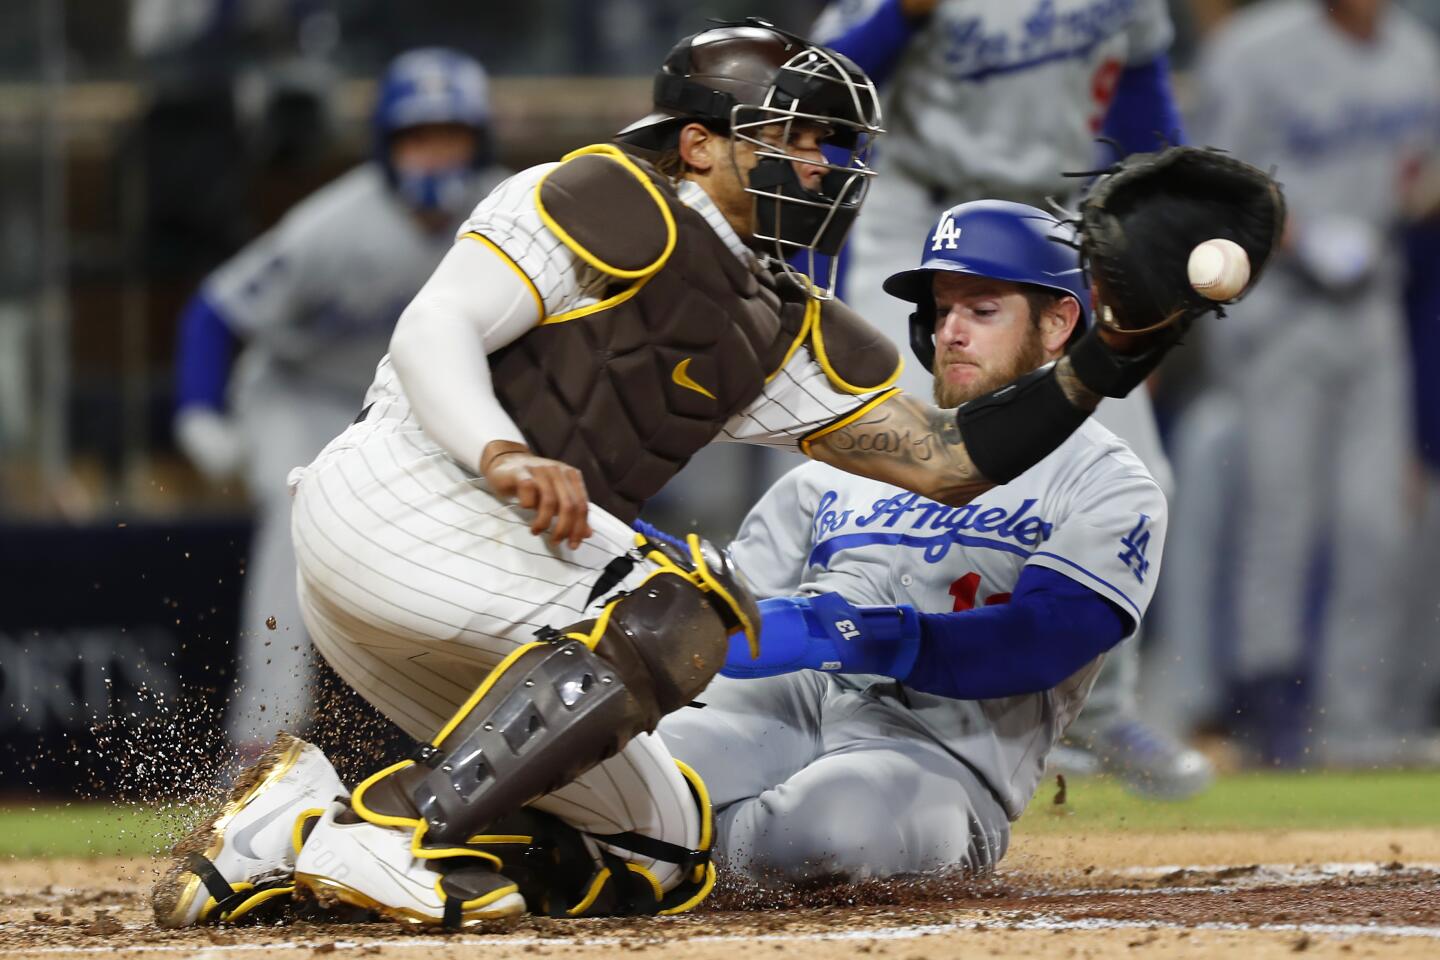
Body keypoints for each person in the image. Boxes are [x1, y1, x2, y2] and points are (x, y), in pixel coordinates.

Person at [152, 20, 1217, 931]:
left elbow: (945, 461)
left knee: (664, 853)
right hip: (402, 498)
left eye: (826, 142)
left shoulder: (778, 322)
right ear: (700, 142)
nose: (818, 163)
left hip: (486, 571)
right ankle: (398, 833)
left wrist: (1106, 362)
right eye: (790, 136)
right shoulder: (599, 193)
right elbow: (438, 327)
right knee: (677, 606)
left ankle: (288, 831)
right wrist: (500, 448)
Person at [656, 200, 1167, 884]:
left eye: (981, 310)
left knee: (826, 836)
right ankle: (648, 846)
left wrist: (869, 636)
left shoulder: (1106, 479)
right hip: (788, 709)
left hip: (941, 752)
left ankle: (662, 861)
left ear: (1058, 323)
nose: (950, 332)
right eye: (940, 310)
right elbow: (731, 619)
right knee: (637, 767)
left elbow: (1045, 638)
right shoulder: (859, 460)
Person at [804, 0, 1205, 795]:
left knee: (1137, 471)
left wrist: (1166, 222)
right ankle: (845, 692)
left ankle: (1093, 716)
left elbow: (1138, 97)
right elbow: (822, 96)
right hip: (922, 224)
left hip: (1059, 224)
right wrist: (901, 17)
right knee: (905, 456)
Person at [171, 48, 508, 754]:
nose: (435, 154)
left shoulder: (505, 216)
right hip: (303, 396)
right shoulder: (334, 222)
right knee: (300, 520)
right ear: (387, 146)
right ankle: (262, 743)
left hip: (417, 410)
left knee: (479, 544)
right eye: (419, 137)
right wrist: (197, 410)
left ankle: (471, 748)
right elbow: (214, 310)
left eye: (451, 136)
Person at [1189, 0, 1440, 766]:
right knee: (1280, 517)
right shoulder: (1254, 50)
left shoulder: (1416, 52)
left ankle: (1355, 719)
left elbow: (1419, 175)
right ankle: (1272, 711)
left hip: (1372, 309)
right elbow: (1217, 181)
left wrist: (1404, 208)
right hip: (1279, 309)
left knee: (1374, 524)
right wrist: (1301, 234)